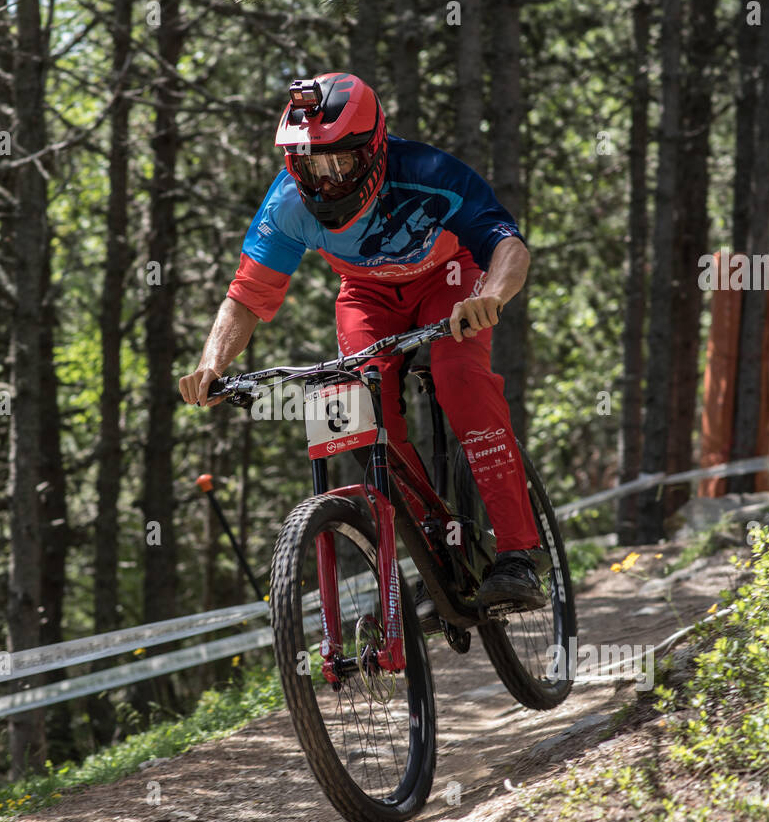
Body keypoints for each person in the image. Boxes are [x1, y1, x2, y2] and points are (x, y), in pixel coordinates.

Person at [179, 72, 546, 610]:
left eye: (339, 163)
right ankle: (436, 551)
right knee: (354, 410)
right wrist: (212, 363)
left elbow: (507, 245)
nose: (325, 182)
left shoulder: (427, 171)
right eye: (310, 166)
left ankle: (518, 553)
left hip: (451, 278)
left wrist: (489, 296)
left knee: (459, 378)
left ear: (373, 149)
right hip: (368, 293)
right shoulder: (287, 205)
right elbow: (249, 293)